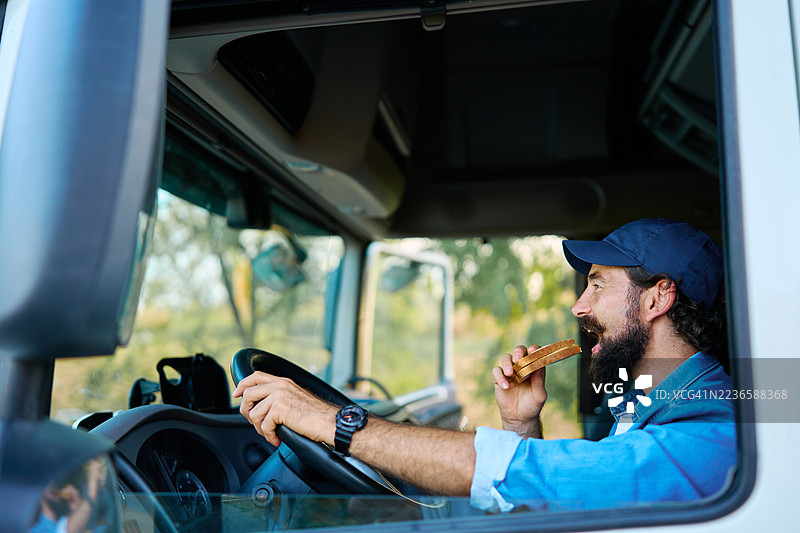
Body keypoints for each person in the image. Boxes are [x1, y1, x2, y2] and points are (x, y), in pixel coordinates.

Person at [234, 218, 735, 511]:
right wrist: (521, 423)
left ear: (657, 298)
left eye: (598, 285)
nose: (579, 306)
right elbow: (562, 494)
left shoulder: (705, 435)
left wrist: (332, 422)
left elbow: (512, 471)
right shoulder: (648, 406)